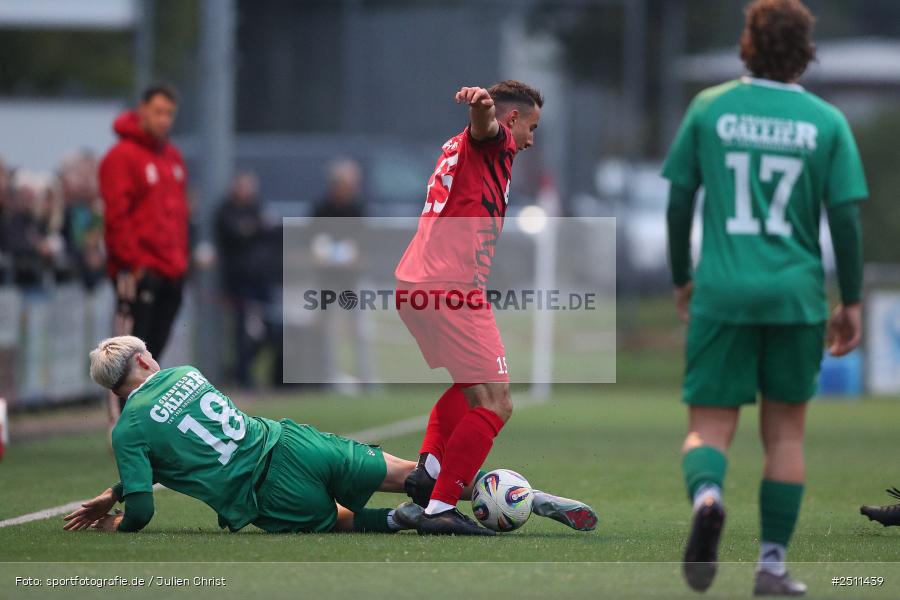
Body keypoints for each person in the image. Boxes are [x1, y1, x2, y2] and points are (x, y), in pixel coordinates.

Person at [662, 0, 867, 595]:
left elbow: (678, 201)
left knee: (708, 428)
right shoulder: (827, 122)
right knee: (785, 436)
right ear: (806, 52)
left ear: (747, 45)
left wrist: (683, 278)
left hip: (723, 291)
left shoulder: (710, 107)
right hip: (795, 296)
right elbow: (845, 219)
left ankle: (707, 499)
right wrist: (852, 300)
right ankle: (772, 566)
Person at [64, 335, 595, 536]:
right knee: (412, 474)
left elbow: (146, 504)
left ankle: (407, 520)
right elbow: (182, 439)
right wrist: (119, 488)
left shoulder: (129, 429)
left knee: (345, 520)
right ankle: (514, 495)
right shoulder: (186, 373)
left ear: (114, 390)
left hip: (265, 492)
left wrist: (116, 515)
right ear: (144, 361)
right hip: (293, 443)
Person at [393, 81, 594, 537]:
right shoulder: (494, 142)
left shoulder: (457, 146)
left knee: (471, 388)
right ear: (513, 120)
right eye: (532, 128)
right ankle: (440, 508)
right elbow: (485, 128)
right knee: (496, 403)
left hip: (416, 283)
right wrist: (482, 107)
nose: (531, 140)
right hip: (452, 287)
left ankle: (429, 473)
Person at [98, 83, 189, 423]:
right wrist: (129, 263)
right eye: (158, 111)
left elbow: (177, 217)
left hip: (171, 270)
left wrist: (181, 262)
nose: (164, 119)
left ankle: (142, 420)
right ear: (142, 110)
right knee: (126, 355)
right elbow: (116, 216)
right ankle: (120, 425)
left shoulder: (172, 158)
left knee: (153, 353)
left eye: (170, 114)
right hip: (139, 271)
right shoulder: (121, 156)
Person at [215, 171, 275, 388]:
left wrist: (251, 228)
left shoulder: (257, 207)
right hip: (239, 281)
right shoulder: (226, 210)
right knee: (241, 330)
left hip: (261, 279)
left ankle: (251, 370)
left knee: (271, 327)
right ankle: (242, 376)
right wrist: (253, 228)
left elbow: (268, 231)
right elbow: (236, 233)